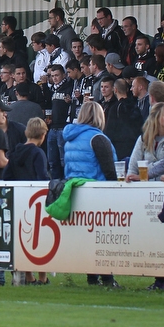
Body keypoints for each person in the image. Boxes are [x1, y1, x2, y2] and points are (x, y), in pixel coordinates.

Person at [60, 101, 119, 288]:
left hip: (76, 191)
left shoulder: (70, 138)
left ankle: (92, 276)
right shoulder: (97, 138)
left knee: (87, 237)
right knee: (104, 238)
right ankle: (107, 278)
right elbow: (109, 169)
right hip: (98, 191)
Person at [125, 102, 164, 182]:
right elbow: (133, 167)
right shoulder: (143, 138)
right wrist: (130, 181)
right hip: (146, 187)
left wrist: (147, 168)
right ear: (156, 117)